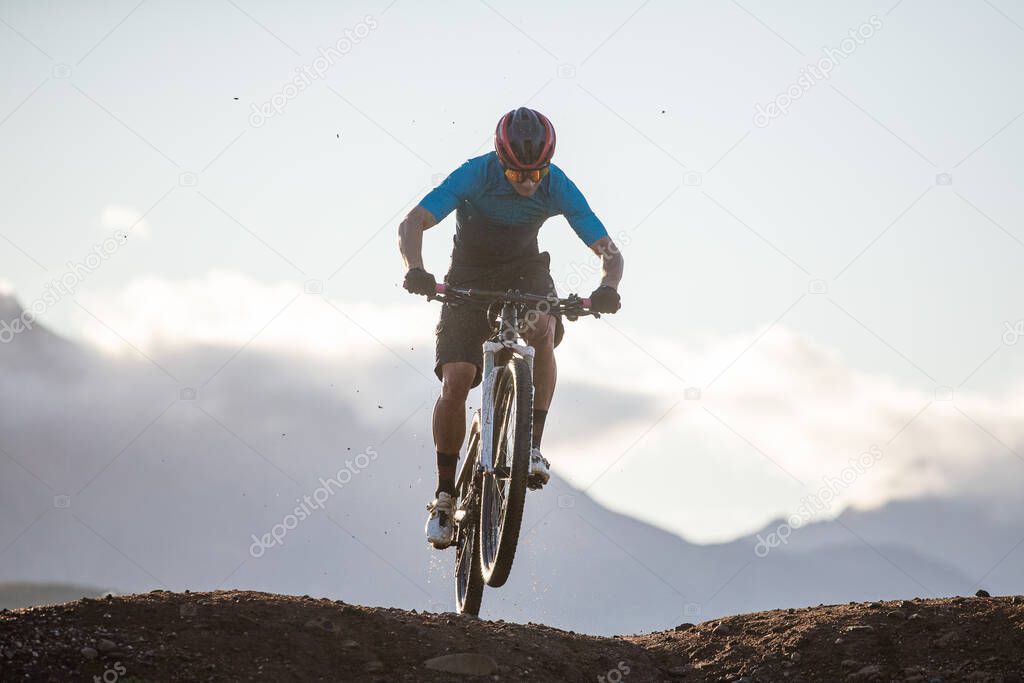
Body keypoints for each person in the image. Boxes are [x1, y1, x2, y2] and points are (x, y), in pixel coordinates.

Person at [397, 107, 624, 548]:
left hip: (525, 273)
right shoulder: (474, 175)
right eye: (516, 172)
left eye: (536, 172)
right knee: (457, 379)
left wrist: (607, 287)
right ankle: (445, 495)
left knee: (543, 325)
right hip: (468, 277)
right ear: (499, 160)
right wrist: (416, 269)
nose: (527, 182)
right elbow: (412, 223)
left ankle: (532, 446)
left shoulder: (557, 184)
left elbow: (609, 250)